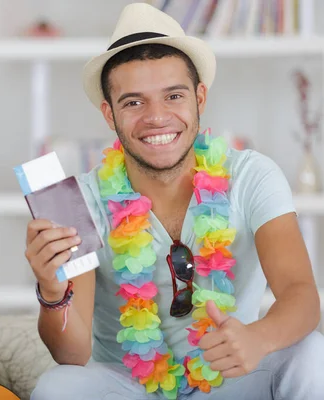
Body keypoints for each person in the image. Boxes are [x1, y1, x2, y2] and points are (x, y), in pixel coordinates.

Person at [26, 3, 324, 399]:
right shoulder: (73, 199)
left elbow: (301, 295)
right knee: (57, 386)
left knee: (311, 354)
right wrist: (51, 290)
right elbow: (71, 354)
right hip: (127, 386)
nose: (157, 117)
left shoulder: (253, 175)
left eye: (173, 96)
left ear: (200, 98)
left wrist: (259, 338)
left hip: (232, 377)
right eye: (133, 102)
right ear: (108, 113)